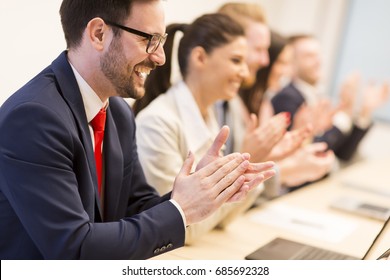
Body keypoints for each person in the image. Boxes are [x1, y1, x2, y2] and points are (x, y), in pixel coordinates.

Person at [0, 0, 270, 260]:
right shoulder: (35, 117)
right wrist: (181, 209)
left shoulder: (117, 112)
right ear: (98, 34)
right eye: (148, 40)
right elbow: (74, 249)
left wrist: (205, 190)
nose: (161, 57)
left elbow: (136, 206)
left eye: (161, 42)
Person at [133, 13, 275, 244]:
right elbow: (178, 228)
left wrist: (242, 175)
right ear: (200, 57)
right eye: (236, 61)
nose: (245, 73)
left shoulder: (209, 117)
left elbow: (223, 221)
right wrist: (233, 178)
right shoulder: (157, 123)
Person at [272, 34, 389, 161]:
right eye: (309, 56)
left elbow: (342, 154)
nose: (318, 61)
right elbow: (314, 153)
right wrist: (345, 113)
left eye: (318, 54)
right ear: (291, 62)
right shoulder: (287, 97)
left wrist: (365, 112)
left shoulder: (317, 96)